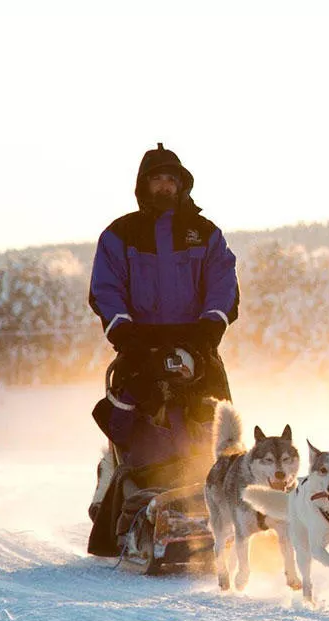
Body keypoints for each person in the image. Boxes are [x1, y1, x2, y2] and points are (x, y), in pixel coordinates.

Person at [88, 143, 239, 466]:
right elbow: (105, 288)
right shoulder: (119, 235)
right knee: (130, 422)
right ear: (144, 185)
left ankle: (219, 481)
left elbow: (223, 283)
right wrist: (125, 334)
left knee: (218, 426)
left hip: (198, 343)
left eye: (171, 179)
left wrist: (210, 327)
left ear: (182, 184)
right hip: (139, 347)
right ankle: (134, 482)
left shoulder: (205, 233)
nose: (164, 186)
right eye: (157, 179)